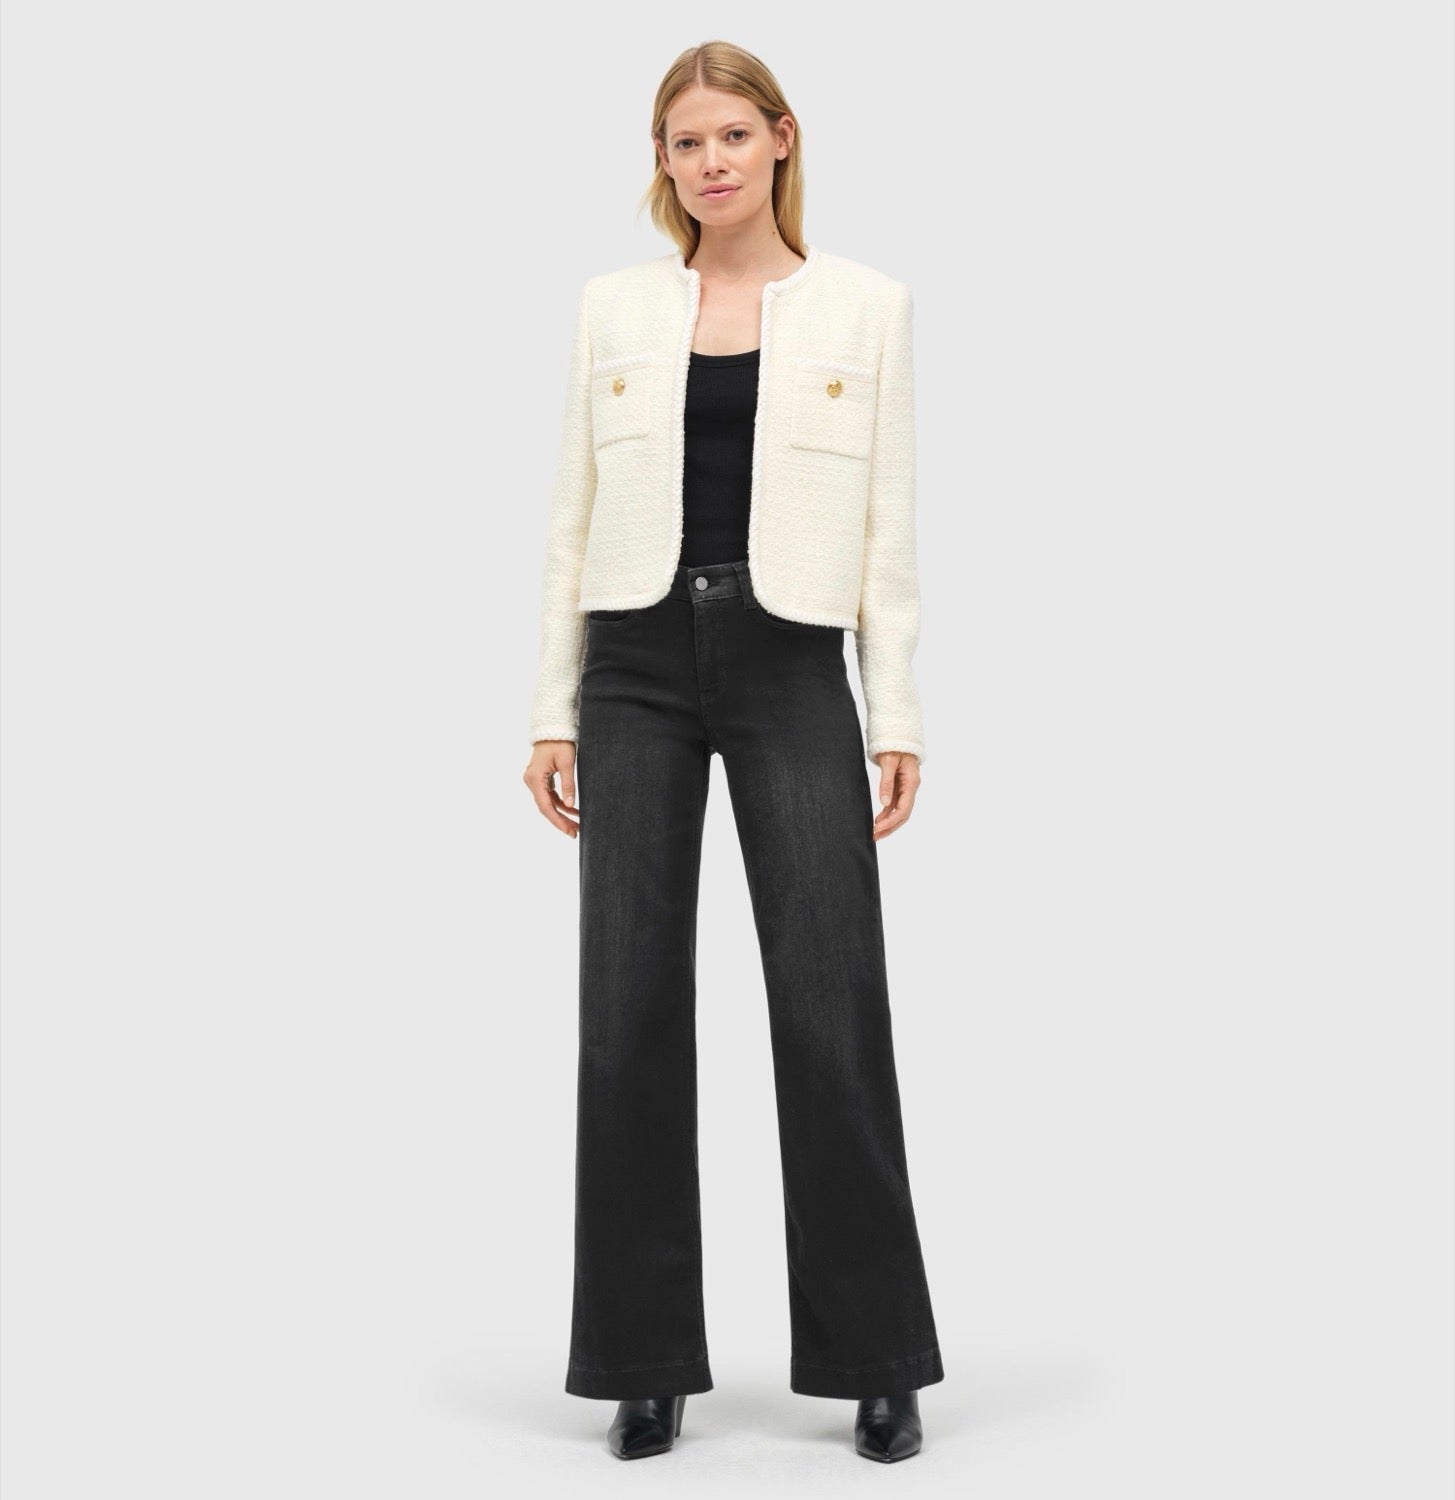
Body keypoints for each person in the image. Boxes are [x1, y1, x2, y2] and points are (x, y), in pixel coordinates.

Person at [522, 39, 943, 1463]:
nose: (709, 162)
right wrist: (552, 708)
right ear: (664, 161)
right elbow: (570, 518)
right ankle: (642, 1362)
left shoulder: (866, 308)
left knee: (832, 1005)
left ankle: (877, 1357)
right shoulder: (614, 307)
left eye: (730, 136)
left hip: (789, 662)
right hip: (634, 666)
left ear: (781, 139)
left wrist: (896, 714)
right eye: (683, 142)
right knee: (627, 1008)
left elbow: (888, 530)